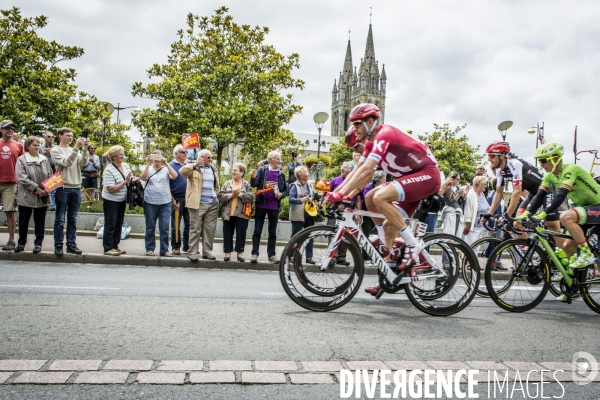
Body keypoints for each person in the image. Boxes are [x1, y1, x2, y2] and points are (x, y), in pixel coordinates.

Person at [324, 104, 441, 296]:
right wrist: (338, 194)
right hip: (410, 181)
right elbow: (357, 173)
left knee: (378, 195)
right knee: (377, 208)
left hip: (428, 175)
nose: (356, 132)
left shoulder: (384, 134)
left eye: (357, 126)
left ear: (370, 122)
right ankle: (389, 275)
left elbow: (367, 172)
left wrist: (340, 195)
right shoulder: (369, 145)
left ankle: (413, 244)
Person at [520, 142, 600, 275]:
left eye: (544, 161)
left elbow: (560, 195)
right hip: (585, 209)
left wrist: (542, 214)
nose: (541, 165)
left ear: (555, 159)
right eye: (540, 161)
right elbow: (539, 196)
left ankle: (587, 254)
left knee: (565, 217)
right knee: (567, 247)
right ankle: (572, 284)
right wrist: (525, 213)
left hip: (597, 206)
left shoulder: (571, 169)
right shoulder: (549, 176)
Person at [485, 140, 564, 247]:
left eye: (492, 155)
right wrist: (489, 214)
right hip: (533, 194)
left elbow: (517, 192)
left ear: (502, 156)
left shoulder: (515, 164)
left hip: (547, 190)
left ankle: (563, 255)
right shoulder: (499, 170)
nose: (490, 159)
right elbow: (498, 193)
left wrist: (507, 215)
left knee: (553, 226)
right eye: (489, 156)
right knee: (517, 223)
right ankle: (532, 252)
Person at [50, 127, 89, 255]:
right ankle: (58, 244)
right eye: (67, 135)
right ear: (60, 136)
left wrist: (84, 149)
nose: (70, 138)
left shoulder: (75, 150)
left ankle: (71, 244)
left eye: (71, 135)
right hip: (63, 188)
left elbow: (83, 163)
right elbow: (67, 162)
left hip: (76, 187)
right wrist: (77, 148)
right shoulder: (55, 150)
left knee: (73, 219)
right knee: (60, 218)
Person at [179, 149, 220, 261]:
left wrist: (216, 196)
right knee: (195, 228)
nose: (211, 160)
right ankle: (192, 252)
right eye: (209, 158)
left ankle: (207, 252)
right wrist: (194, 164)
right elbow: (182, 172)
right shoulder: (194, 167)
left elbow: (216, 186)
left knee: (209, 229)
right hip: (197, 204)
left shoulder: (213, 169)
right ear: (201, 158)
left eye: (211, 157)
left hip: (212, 204)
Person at [14, 136, 53, 253]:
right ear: (27, 147)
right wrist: (36, 188)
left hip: (42, 197)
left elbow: (50, 174)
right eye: (34, 145)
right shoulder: (22, 159)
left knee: (40, 221)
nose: (37, 147)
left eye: (38, 145)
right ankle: (21, 243)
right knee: (23, 221)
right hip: (27, 195)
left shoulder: (44, 159)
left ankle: (38, 244)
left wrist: (46, 188)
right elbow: (21, 177)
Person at [249, 150, 288, 263]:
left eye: (279, 159)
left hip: (274, 206)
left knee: (273, 232)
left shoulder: (281, 174)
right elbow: (254, 184)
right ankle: (254, 254)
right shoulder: (262, 170)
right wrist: (253, 177)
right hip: (261, 204)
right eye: (277, 158)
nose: (279, 161)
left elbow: (285, 190)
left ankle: (271, 255)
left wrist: (281, 194)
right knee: (257, 230)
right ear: (270, 159)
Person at [141, 150, 178, 257]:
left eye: (159, 157)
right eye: (155, 157)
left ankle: (164, 249)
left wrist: (166, 163)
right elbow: (143, 178)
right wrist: (148, 163)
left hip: (165, 202)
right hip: (150, 202)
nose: (157, 159)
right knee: (150, 227)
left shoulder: (166, 169)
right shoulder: (148, 168)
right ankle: (149, 248)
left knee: (164, 227)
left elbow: (175, 176)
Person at [217, 163, 254, 262]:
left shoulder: (246, 184)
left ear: (241, 173)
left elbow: (251, 197)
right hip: (228, 213)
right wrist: (232, 195)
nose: (233, 172)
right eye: (232, 170)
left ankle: (240, 253)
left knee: (241, 234)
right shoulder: (227, 183)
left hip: (242, 214)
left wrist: (240, 194)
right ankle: (227, 253)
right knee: (227, 233)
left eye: (235, 170)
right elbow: (220, 196)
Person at [101, 145, 133, 256]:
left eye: (123, 154)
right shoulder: (108, 170)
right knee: (111, 223)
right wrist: (125, 182)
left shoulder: (126, 166)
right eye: (120, 154)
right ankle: (108, 247)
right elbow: (111, 189)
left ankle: (115, 245)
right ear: (114, 156)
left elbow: (130, 180)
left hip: (122, 199)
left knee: (119, 223)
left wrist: (134, 181)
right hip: (111, 200)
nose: (122, 156)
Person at [327, 161, 360, 266]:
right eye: (342, 167)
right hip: (335, 212)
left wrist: (359, 214)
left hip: (348, 213)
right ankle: (332, 257)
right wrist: (334, 205)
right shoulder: (334, 181)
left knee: (346, 236)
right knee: (333, 233)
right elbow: (329, 195)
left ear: (350, 170)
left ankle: (341, 257)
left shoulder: (355, 182)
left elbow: (358, 199)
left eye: (345, 167)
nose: (342, 169)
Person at [0, 120, 25, 251]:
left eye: (12, 128)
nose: (10, 130)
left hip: (11, 183)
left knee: (10, 212)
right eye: (6, 128)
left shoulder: (18, 146)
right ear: (1, 130)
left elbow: (24, 164)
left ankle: (11, 241)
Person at [288, 166, 317, 264]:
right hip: (298, 214)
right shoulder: (294, 185)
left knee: (310, 235)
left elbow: (314, 195)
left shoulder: (309, 184)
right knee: (296, 236)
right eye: (306, 172)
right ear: (300, 175)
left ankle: (309, 257)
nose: (308, 173)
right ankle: (291, 256)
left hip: (309, 213)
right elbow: (291, 200)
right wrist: (301, 200)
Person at [169, 144, 191, 255]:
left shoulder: (190, 165)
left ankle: (187, 246)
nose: (185, 154)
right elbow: (167, 185)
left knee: (189, 224)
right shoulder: (170, 166)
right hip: (177, 198)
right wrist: (172, 199)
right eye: (183, 152)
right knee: (176, 224)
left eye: (186, 152)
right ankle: (176, 246)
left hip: (190, 198)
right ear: (176, 154)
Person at [462, 176, 490, 245]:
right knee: (470, 246)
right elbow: (467, 209)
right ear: (479, 184)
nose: (486, 186)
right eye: (485, 184)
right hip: (473, 226)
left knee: (476, 247)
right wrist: (468, 224)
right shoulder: (471, 194)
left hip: (481, 225)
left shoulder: (481, 194)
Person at [440, 172, 465, 237]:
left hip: (458, 213)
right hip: (450, 213)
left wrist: (465, 195)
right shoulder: (447, 188)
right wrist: (458, 195)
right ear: (452, 179)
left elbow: (462, 203)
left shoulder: (458, 188)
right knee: (448, 234)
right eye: (458, 179)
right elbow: (449, 203)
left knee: (457, 235)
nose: (459, 180)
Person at [39, 131, 56, 210]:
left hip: (54, 169)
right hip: (44, 169)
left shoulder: (56, 147)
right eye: (49, 136)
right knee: (45, 187)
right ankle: (44, 203)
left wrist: (51, 153)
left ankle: (52, 205)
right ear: (44, 137)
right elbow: (38, 158)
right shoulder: (40, 148)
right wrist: (45, 153)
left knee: (53, 187)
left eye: (52, 137)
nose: (51, 138)